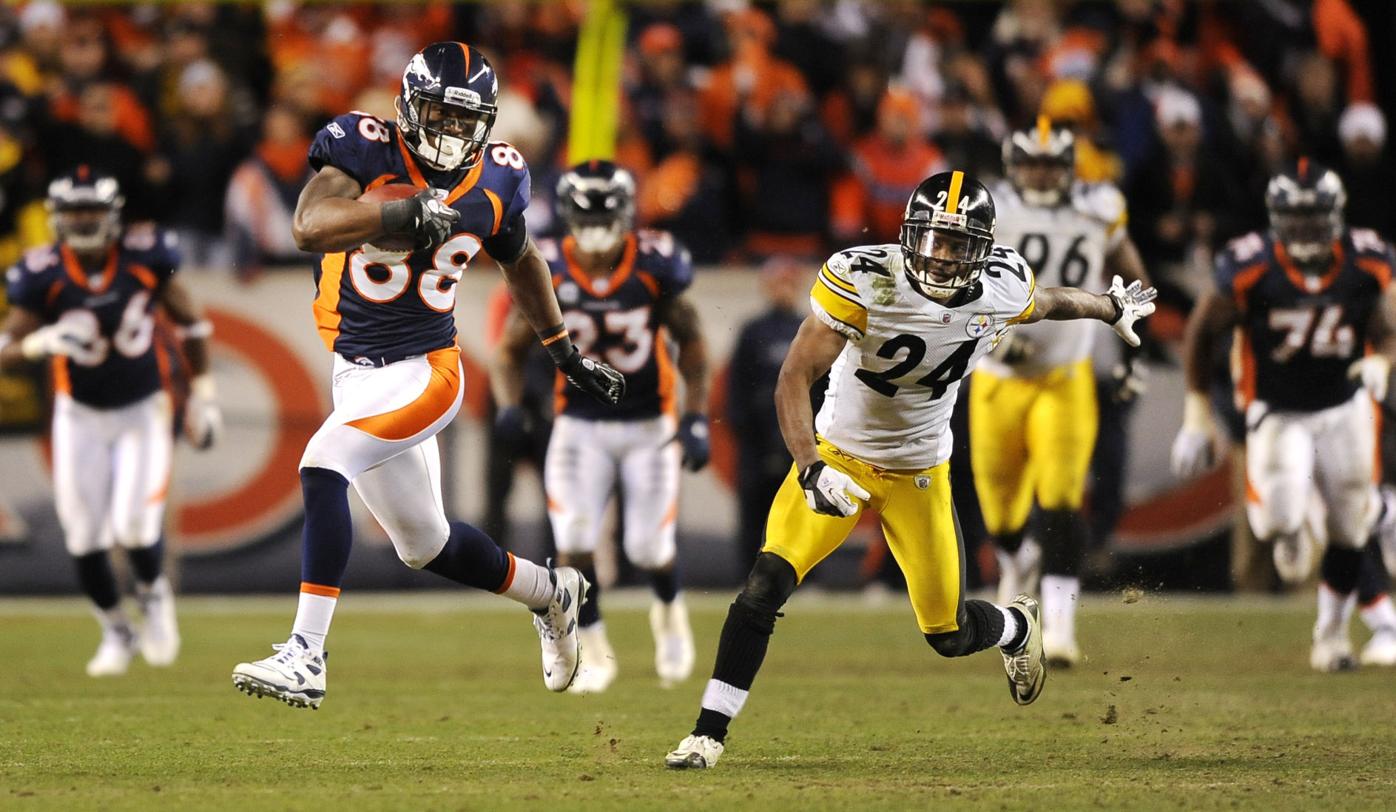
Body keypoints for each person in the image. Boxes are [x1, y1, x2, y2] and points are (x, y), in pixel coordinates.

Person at [665, 170, 1157, 769]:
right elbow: (794, 376)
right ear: (908, 235)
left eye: (956, 244)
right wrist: (812, 466)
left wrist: (1110, 308)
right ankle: (707, 733)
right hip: (839, 456)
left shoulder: (999, 289)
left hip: (920, 471)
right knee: (766, 583)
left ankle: (1014, 628)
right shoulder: (865, 280)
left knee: (947, 633)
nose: (941, 255)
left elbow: (1050, 302)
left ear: (982, 249)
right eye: (932, 239)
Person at [230, 43, 625, 709]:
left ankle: (307, 654)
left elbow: (522, 260)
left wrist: (563, 352)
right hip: (356, 369)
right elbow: (307, 226)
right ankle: (553, 592)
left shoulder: (497, 179)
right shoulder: (362, 146)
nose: (449, 133)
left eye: (464, 120)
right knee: (426, 545)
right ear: (408, 109)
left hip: (423, 369)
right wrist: (392, 213)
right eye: (437, 115)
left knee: (324, 463)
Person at [492, 161, 710, 694]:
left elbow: (694, 342)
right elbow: (508, 352)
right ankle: (592, 648)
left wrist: (696, 413)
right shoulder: (552, 269)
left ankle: (669, 613)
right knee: (573, 540)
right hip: (580, 423)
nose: (594, 228)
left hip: (647, 421)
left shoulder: (655, 265)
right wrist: (509, 407)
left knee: (648, 550)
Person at [1172, 161, 1396, 672]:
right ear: (1276, 219)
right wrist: (1196, 410)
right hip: (1277, 409)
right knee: (1278, 521)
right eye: (1294, 219)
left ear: (1335, 215)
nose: (1305, 229)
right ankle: (1296, 522)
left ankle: (1332, 636)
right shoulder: (1251, 266)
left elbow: (1388, 325)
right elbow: (1202, 331)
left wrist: (1382, 359)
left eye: (1314, 217)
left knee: (1349, 529)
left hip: (1344, 405)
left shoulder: (1367, 259)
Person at [0, 167, 221, 676]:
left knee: (135, 526)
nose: (81, 221)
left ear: (112, 215)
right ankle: (116, 631)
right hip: (79, 415)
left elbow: (191, 323)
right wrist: (39, 344)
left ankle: (155, 598)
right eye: (73, 212)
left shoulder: (145, 257)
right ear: (56, 219)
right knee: (83, 537)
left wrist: (204, 394)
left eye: (91, 212)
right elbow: (7, 348)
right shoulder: (43, 273)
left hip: (143, 409)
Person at [971, 118, 1151, 668]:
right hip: (997, 381)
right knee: (1001, 516)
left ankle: (1061, 628)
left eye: (1051, 165)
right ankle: (1013, 564)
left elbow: (1131, 278)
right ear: (1013, 166)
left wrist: (1130, 355)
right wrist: (989, 338)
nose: (1042, 174)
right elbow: (959, 280)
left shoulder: (1099, 206)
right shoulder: (990, 209)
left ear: (1069, 167)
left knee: (1061, 499)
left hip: (1064, 376)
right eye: (1032, 164)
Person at [727, 258, 809, 572]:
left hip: (799, 433)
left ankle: (803, 575)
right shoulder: (753, 331)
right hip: (759, 433)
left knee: (801, 509)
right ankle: (748, 571)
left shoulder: (809, 328)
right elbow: (737, 385)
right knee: (755, 507)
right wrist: (744, 427)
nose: (784, 290)